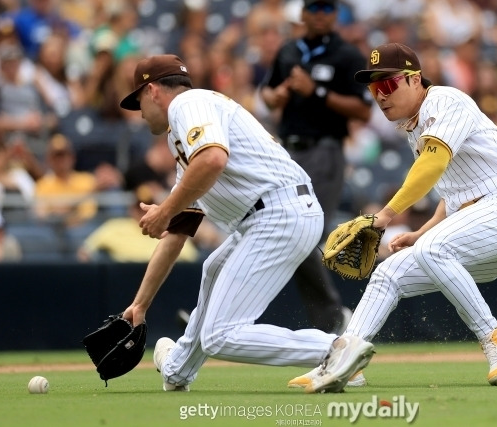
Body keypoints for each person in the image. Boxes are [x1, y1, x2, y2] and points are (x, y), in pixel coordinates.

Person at [289, 43, 497, 391]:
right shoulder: (414, 126)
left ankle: (496, 339)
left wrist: (386, 215)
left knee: (432, 249)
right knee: (388, 273)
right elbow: (451, 192)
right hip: (479, 227)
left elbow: (433, 163)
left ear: (415, 79)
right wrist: (423, 231)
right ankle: (345, 361)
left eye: (388, 84)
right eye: (374, 88)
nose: (380, 95)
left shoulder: (444, 101)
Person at [118, 54, 374, 393]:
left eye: (138, 102)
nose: (139, 113)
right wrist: (141, 304)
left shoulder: (187, 104)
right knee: (212, 267)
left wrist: (164, 209)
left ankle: (335, 350)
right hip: (273, 213)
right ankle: (178, 368)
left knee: (220, 336)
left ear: (151, 90)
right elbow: (180, 229)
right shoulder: (186, 129)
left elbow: (212, 159)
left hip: (278, 212)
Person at [260, 0, 372, 336]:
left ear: (335, 14)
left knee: (303, 235)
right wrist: (275, 96)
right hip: (287, 152)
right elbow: (266, 92)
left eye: (327, 8)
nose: (321, 14)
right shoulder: (289, 50)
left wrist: (318, 92)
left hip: (324, 151)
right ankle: (333, 321)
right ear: (304, 13)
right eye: (315, 7)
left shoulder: (347, 55)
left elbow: (364, 111)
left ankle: (334, 321)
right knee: (284, 234)